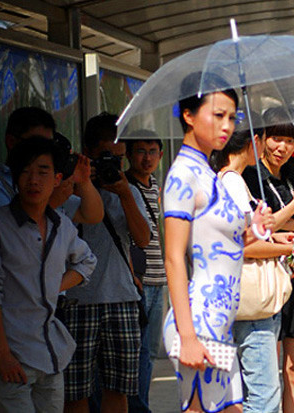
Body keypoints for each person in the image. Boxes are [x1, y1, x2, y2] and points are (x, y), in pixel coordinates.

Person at [0, 137, 97, 413]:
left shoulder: (60, 224)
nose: (33, 180)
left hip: (52, 353)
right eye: (25, 172)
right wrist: (2, 354)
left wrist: (52, 286)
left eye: (42, 172)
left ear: (57, 179)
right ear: (15, 178)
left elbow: (87, 262)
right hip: (13, 354)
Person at [162, 72, 264, 413]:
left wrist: (257, 228)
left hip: (220, 320)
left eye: (232, 118)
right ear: (188, 116)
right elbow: (174, 258)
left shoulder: (208, 171)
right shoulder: (183, 175)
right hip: (199, 321)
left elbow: (226, 242)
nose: (227, 126)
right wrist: (187, 336)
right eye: (218, 115)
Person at [63, 113, 152, 413]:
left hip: (121, 298)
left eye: (119, 158)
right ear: (87, 153)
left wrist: (125, 193)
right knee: (75, 392)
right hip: (78, 301)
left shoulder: (128, 191)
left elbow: (143, 240)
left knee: (120, 390)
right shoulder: (69, 190)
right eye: (106, 157)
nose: (113, 164)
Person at [213, 121, 294, 413]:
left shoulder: (229, 180)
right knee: (263, 396)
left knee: (246, 393)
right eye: (265, 139)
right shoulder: (232, 183)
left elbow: (249, 235)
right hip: (251, 302)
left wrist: (275, 235)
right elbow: (245, 246)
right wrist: (290, 248)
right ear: (253, 141)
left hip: (244, 299)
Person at [243, 107, 294, 413]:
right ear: (261, 138)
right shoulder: (249, 176)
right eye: (276, 138)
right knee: (266, 375)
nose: (282, 147)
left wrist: (282, 224)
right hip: (267, 283)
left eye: (290, 141)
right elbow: (256, 230)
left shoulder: (292, 175)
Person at [0, 106, 103, 225]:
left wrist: (84, 182)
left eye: (49, 145)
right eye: (36, 144)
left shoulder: (50, 181)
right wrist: (51, 203)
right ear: (11, 142)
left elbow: (92, 216)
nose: (44, 152)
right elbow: (6, 239)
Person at [125, 132, 166, 413]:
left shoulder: (158, 189)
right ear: (128, 155)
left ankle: (142, 404)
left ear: (161, 156)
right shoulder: (123, 188)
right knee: (135, 353)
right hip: (136, 283)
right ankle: (137, 408)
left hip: (159, 280)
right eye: (141, 151)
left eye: (153, 151)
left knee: (149, 353)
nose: (147, 157)